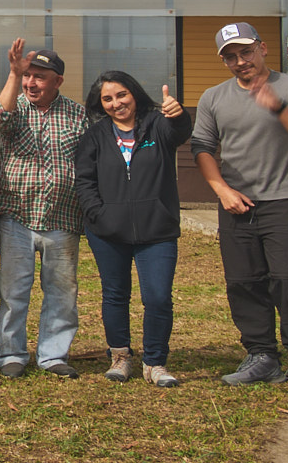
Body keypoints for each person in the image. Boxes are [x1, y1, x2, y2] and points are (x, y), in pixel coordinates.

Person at [192, 22, 288, 398]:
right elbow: (202, 146)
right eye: (231, 57)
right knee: (243, 282)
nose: (240, 61)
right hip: (236, 204)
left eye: (245, 52)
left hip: (285, 200)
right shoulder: (214, 97)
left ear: (263, 48)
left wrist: (278, 108)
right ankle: (262, 356)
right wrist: (221, 190)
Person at [75, 72, 192, 387]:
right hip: (108, 232)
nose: (117, 103)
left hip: (157, 230)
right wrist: (99, 214)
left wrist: (178, 115)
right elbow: (84, 180)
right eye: (108, 99)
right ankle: (120, 356)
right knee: (115, 294)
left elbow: (180, 132)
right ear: (101, 105)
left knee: (157, 297)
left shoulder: (157, 124)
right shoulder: (96, 135)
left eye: (122, 95)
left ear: (135, 93)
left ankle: (155, 362)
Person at [0, 39, 87, 379]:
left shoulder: (77, 114)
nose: (32, 83)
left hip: (62, 218)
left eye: (39, 77)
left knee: (62, 290)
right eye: (28, 75)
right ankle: (11, 353)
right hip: (16, 217)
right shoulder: (15, 106)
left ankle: (53, 354)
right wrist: (13, 75)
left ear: (58, 81)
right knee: (14, 290)